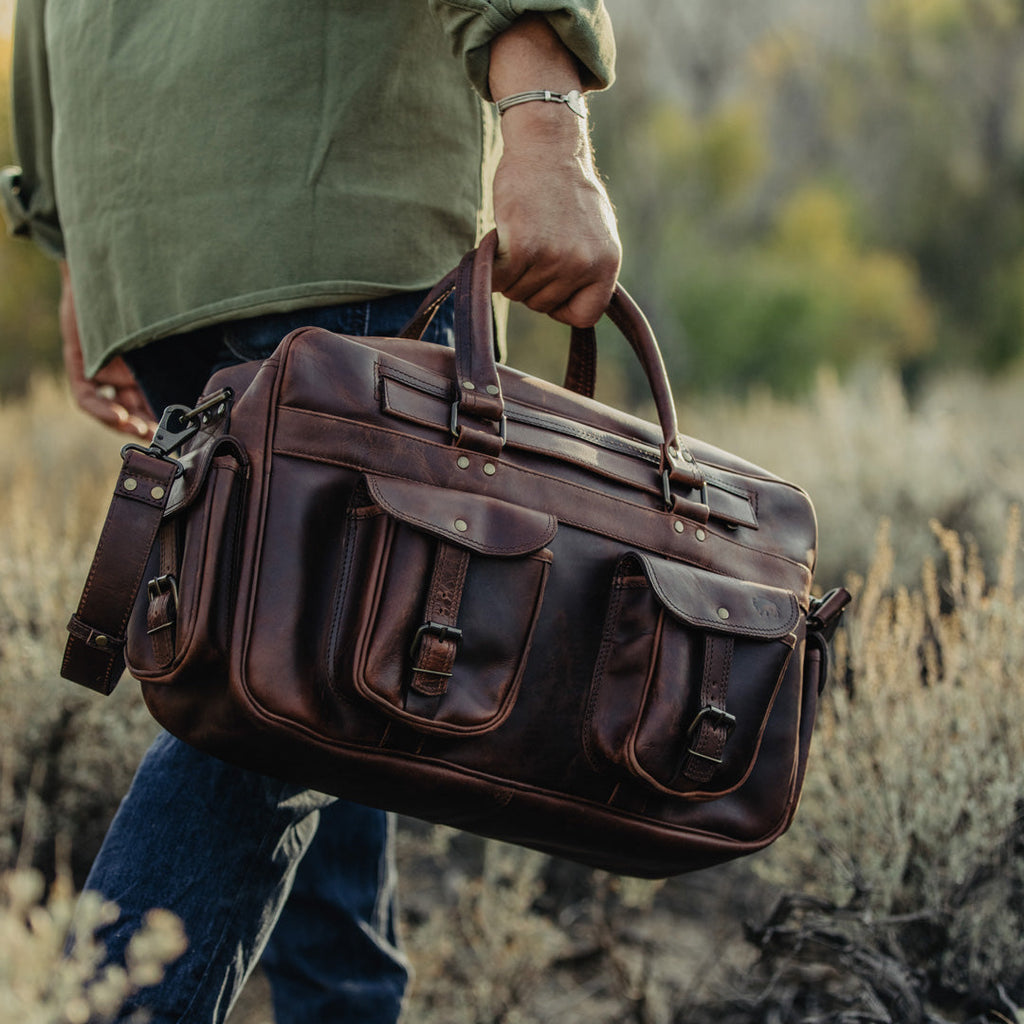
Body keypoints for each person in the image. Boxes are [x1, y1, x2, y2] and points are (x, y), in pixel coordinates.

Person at [2, 2, 621, 1021]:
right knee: (285, 702)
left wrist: (79, 242)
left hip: (147, 228)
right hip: (335, 199)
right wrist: (543, 113)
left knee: (310, 682)